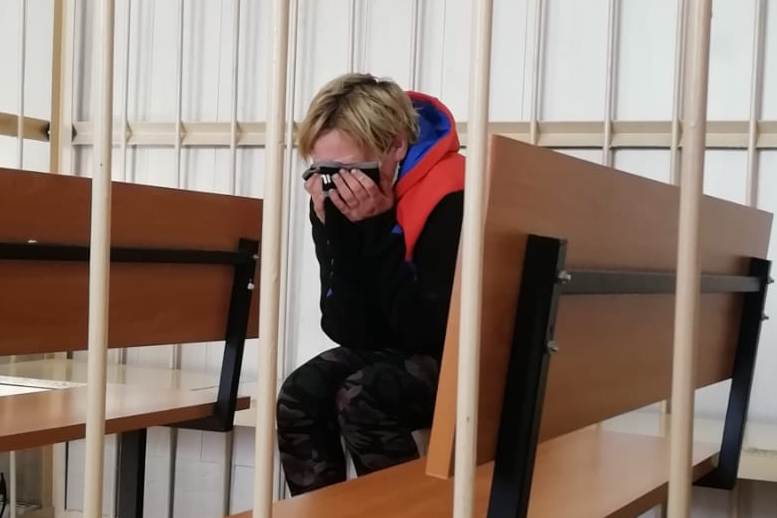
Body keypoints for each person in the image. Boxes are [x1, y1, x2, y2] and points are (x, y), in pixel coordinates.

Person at [276, 73, 464, 495]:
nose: (334, 185)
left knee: (362, 397)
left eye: (348, 170)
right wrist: (337, 234)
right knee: (300, 393)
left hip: (460, 354)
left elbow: (429, 332)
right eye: (322, 170)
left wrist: (378, 230)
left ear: (396, 146)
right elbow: (347, 329)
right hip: (399, 347)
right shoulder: (338, 197)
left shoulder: (452, 193)